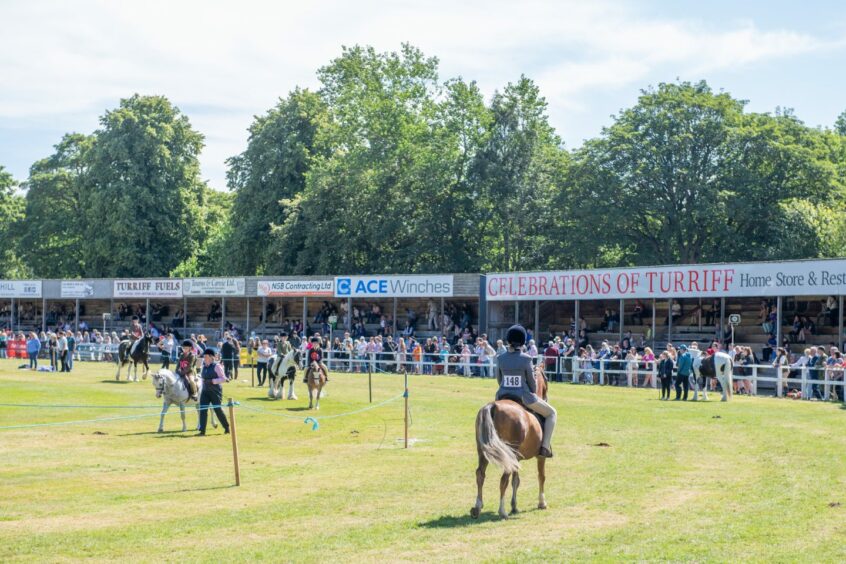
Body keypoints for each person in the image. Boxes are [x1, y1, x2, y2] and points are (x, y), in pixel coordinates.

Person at [494, 324, 556, 458]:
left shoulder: (500, 358)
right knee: (552, 413)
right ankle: (545, 447)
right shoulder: (526, 358)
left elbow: (499, 380)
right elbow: (533, 387)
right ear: (522, 341)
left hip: (502, 395)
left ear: (508, 340)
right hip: (524, 397)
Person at [197, 347, 230, 436]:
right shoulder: (203, 366)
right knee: (203, 410)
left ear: (212, 357)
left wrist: (212, 381)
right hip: (205, 391)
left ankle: (227, 427)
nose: (204, 358)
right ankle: (202, 431)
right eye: (204, 356)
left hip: (215, 391)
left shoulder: (217, 366)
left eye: (206, 356)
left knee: (217, 409)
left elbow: (223, 379)